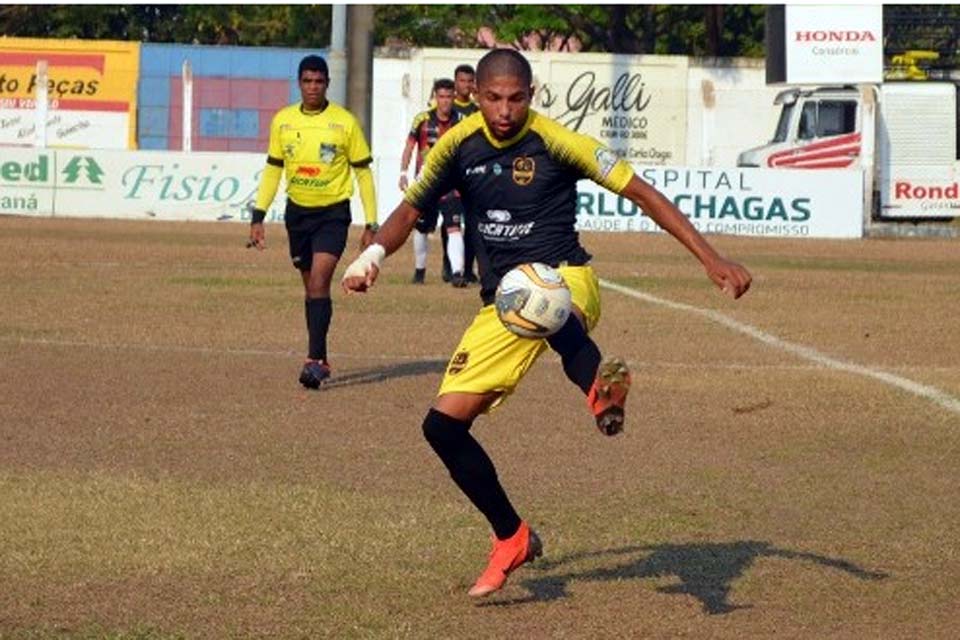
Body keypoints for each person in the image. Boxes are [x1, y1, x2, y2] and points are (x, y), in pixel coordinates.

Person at [342, 49, 751, 597]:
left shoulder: (559, 142)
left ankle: (598, 391)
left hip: (568, 277)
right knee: (442, 427)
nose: (505, 110)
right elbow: (411, 210)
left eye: (516, 98)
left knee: (547, 300)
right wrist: (371, 257)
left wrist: (710, 258)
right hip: (502, 302)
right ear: (476, 97)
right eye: (493, 98)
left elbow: (642, 193)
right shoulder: (457, 147)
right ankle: (512, 536)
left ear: (530, 96)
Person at [248, 54, 378, 389]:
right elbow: (274, 168)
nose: (313, 87)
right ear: (299, 83)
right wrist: (258, 215)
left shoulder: (344, 122)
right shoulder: (284, 121)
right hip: (298, 215)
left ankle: (316, 360)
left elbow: (363, 174)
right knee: (311, 289)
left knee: (320, 281)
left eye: (319, 81)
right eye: (307, 81)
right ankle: (319, 352)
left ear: (327, 85)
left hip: (333, 214)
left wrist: (371, 222)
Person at [399, 78, 468, 287]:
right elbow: (410, 146)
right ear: (435, 98)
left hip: (452, 185)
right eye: (441, 96)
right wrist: (403, 172)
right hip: (426, 184)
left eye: (449, 96)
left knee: (454, 227)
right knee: (421, 228)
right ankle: (420, 271)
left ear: (454, 98)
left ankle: (457, 273)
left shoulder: (463, 121)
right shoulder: (421, 119)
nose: (445, 101)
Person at [451, 63, 480, 284]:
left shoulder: (476, 111)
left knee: (472, 223)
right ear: (455, 82)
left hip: (472, 173)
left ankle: (468, 268)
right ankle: (450, 267)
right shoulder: (446, 109)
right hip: (450, 171)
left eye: (470, 81)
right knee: (449, 223)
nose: (466, 85)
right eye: (462, 80)